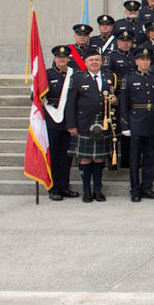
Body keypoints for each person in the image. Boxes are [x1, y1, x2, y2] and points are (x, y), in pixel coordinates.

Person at [65, 48, 116, 203]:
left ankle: (98, 190)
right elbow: (70, 104)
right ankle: (87, 190)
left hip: (103, 123)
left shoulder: (109, 77)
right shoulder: (78, 78)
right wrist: (71, 125)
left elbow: (114, 98)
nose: (94, 62)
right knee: (85, 159)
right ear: (85, 63)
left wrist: (115, 100)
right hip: (84, 124)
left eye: (97, 59)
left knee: (99, 159)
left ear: (101, 61)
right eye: (91, 60)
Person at [119, 47, 154, 202]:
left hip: (152, 121)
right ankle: (135, 189)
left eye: (147, 59)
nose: (145, 62)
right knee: (135, 159)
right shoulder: (129, 78)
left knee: (150, 158)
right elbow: (124, 104)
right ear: (136, 61)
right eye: (142, 59)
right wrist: (125, 125)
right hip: (136, 121)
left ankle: (147, 187)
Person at [45, 45, 78, 201]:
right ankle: (53, 188)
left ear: (68, 59)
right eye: (59, 58)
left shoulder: (74, 75)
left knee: (66, 156)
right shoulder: (47, 74)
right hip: (52, 120)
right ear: (55, 59)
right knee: (53, 155)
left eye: (64, 58)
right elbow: (36, 96)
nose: (62, 60)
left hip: (69, 120)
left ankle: (64, 186)